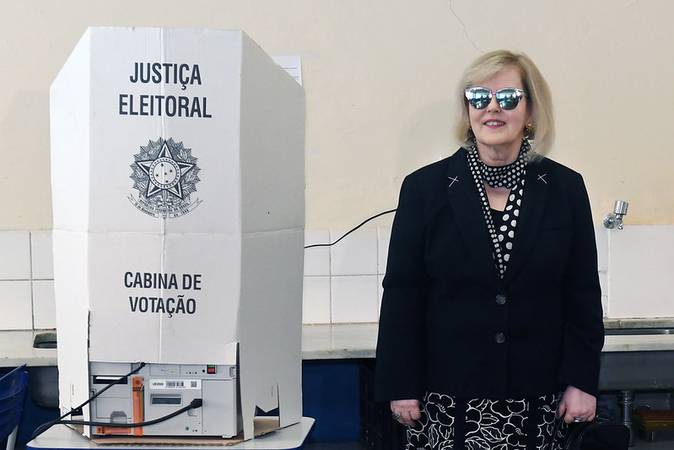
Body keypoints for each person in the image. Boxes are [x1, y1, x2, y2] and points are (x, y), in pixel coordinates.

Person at [375, 50, 605, 450]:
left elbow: (581, 292)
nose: (492, 108)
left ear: (530, 111)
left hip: (539, 399)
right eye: (479, 97)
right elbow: (402, 295)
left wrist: (582, 381)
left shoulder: (565, 188)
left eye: (509, 97)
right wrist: (400, 384)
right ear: (468, 111)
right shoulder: (425, 189)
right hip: (446, 399)